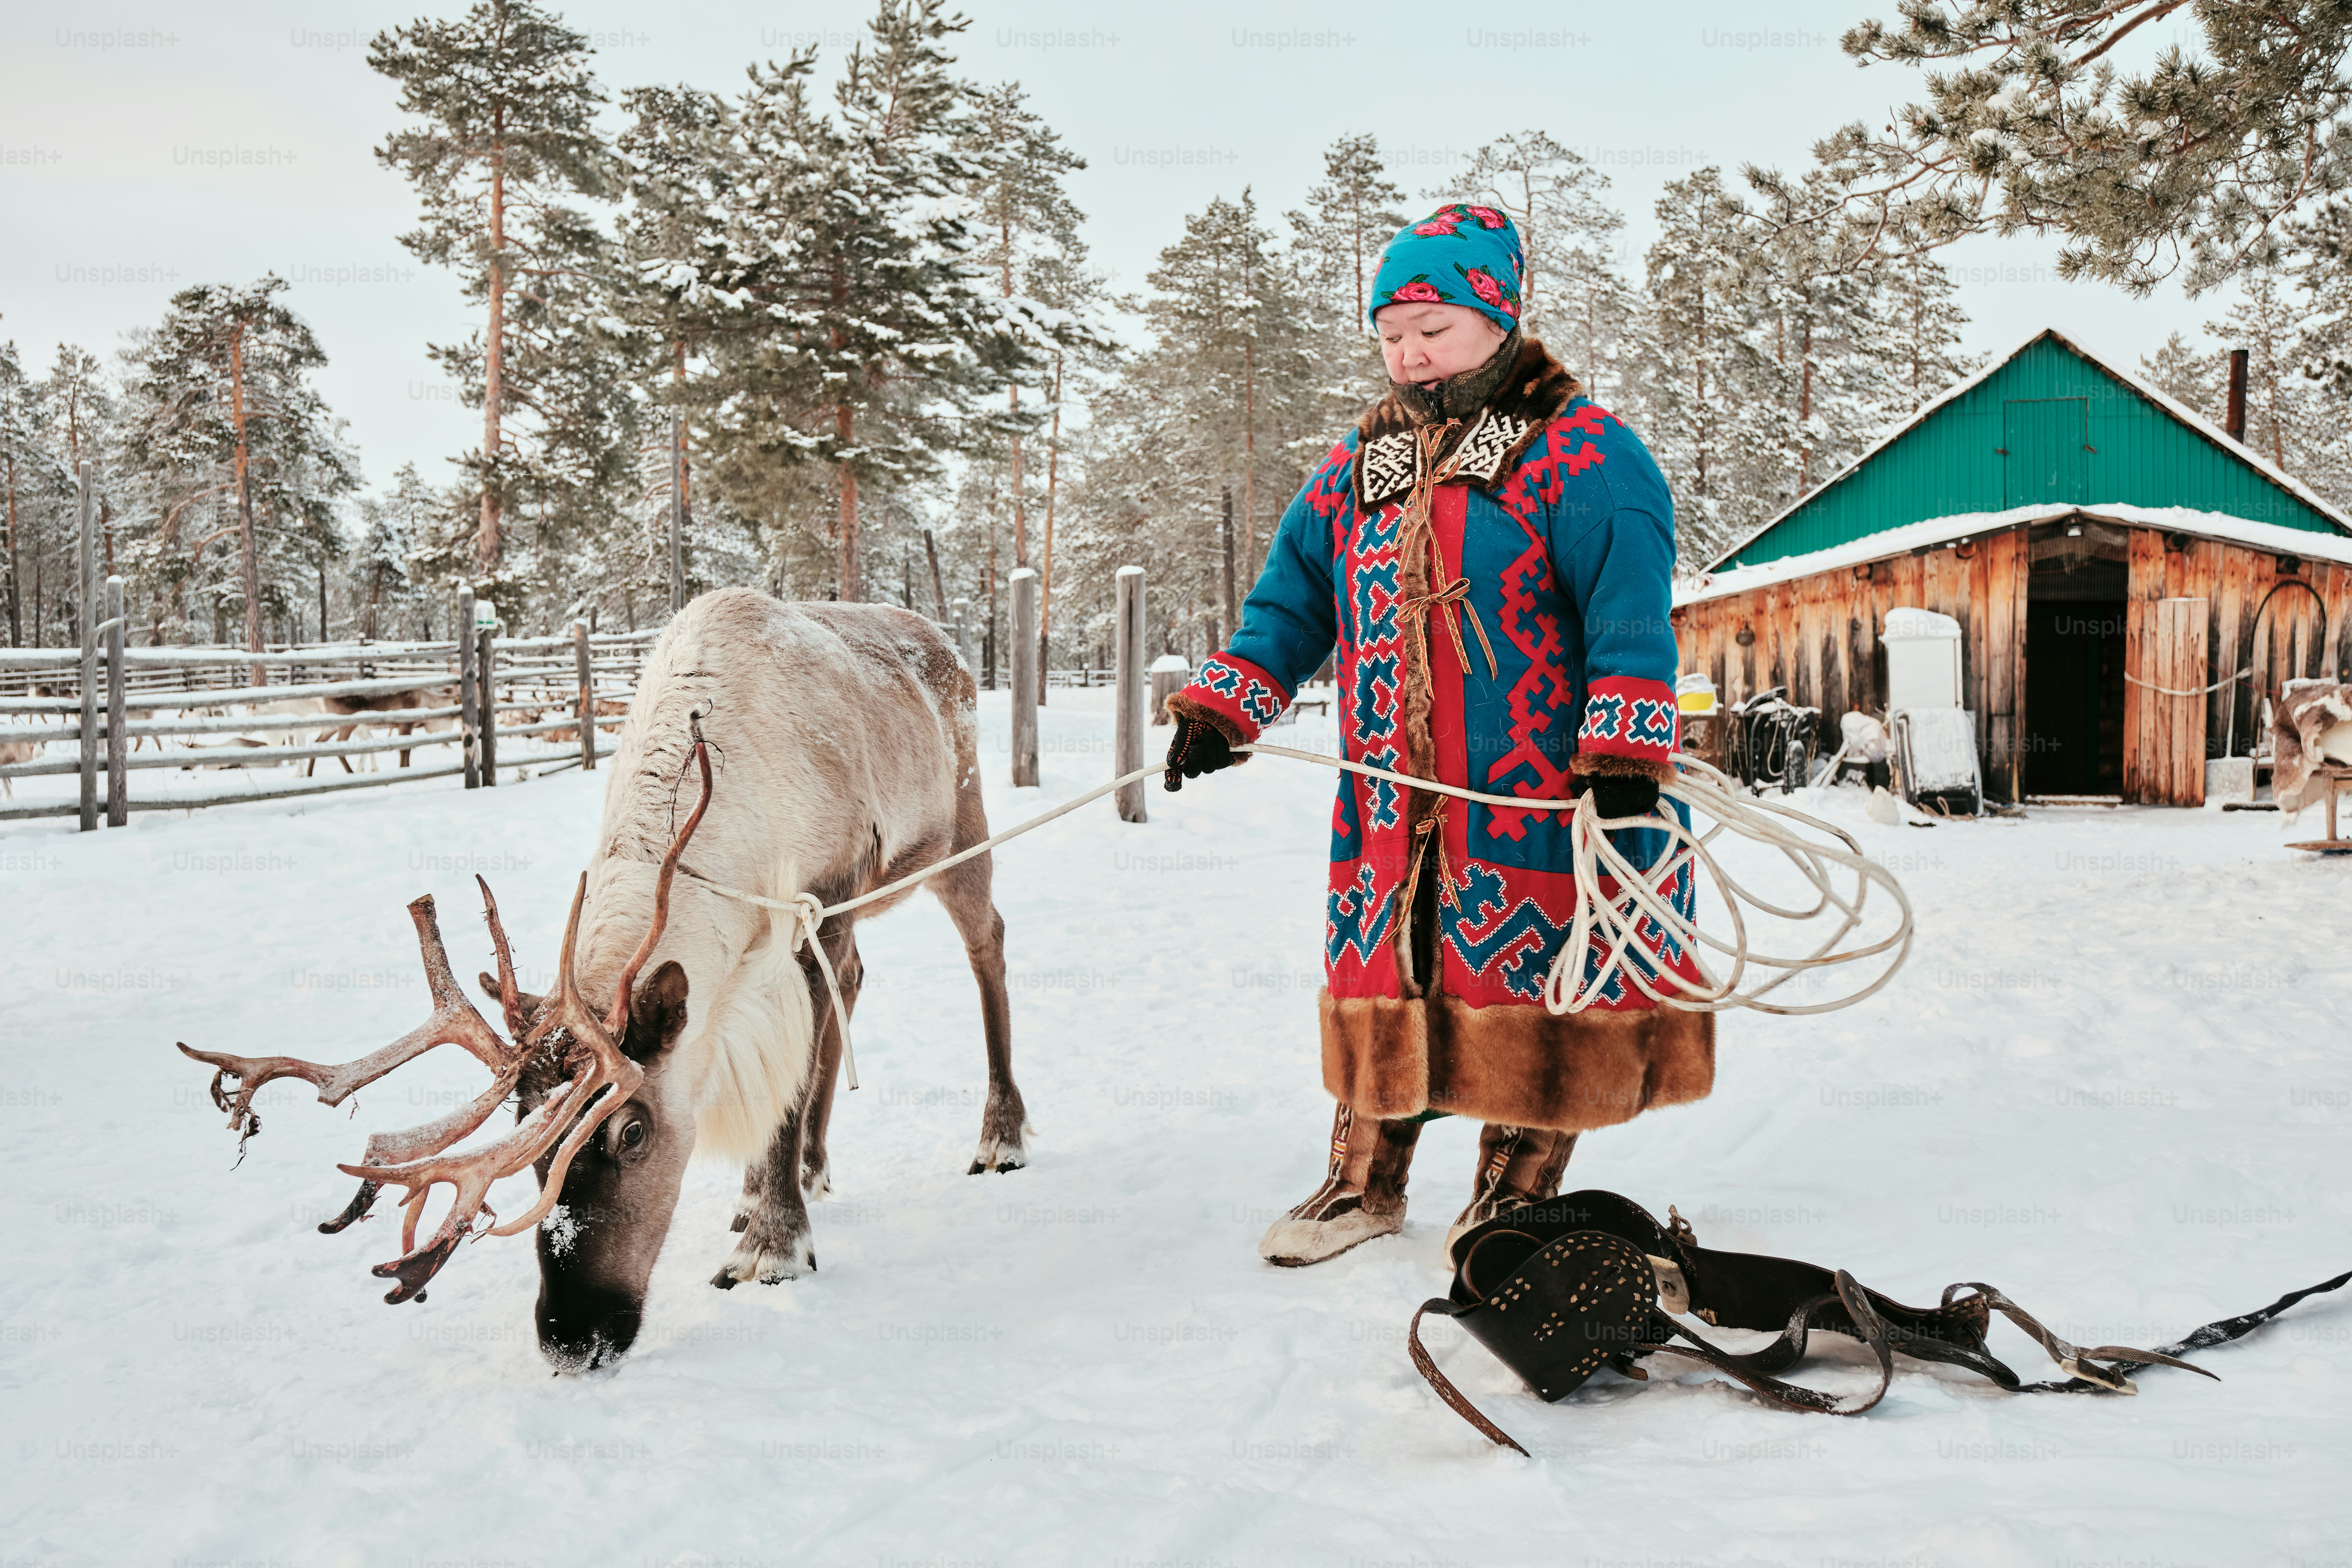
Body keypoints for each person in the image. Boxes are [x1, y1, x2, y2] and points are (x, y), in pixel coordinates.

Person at [1163, 204, 1711, 1268]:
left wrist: (1627, 754)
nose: (1410, 354)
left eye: (1435, 328)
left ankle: (1517, 1188)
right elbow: (1292, 605)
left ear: (1497, 317)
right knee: (1385, 969)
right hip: (1385, 796)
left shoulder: (1582, 453)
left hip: (1535, 793)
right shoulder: (1359, 465)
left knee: (1535, 975)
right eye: (1392, 333)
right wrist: (1226, 705)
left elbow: (1631, 614)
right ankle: (1364, 1182)